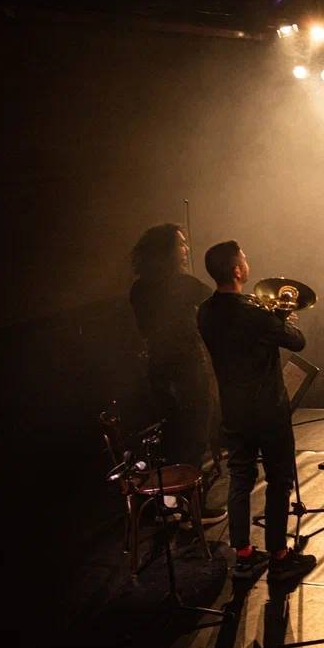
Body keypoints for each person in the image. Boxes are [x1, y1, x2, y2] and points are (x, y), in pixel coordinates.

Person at [196, 240, 317, 583]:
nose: (248, 263)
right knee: (279, 480)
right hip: (268, 411)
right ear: (237, 271)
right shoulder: (255, 313)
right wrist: (280, 318)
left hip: (233, 410)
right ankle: (280, 556)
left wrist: (272, 318)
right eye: (245, 260)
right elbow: (297, 341)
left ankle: (245, 555)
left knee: (240, 477)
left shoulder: (205, 312)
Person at [128, 224, 225, 522]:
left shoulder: (139, 288)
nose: (186, 249)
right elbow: (220, 303)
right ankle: (194, 509)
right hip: (186, 369)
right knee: (194, 437)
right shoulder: (183, 284)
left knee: (171, 439)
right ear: (167, 251)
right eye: (180, 244)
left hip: (158, 370)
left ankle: (169, 506)